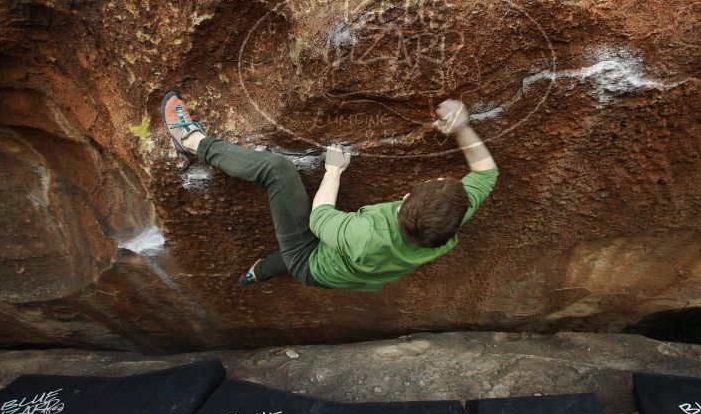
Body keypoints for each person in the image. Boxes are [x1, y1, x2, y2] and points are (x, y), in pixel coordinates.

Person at [161, 92, 498, 292]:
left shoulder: (363, 233)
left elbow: (320, 216)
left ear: (405, 201)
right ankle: (257, 273)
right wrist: (462, 128)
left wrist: (334, 169)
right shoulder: (447, 224)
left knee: (277, 171)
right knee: (287, 259)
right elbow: (486, 171)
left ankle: (193, 143)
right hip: (348, 273)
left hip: (312, 261)